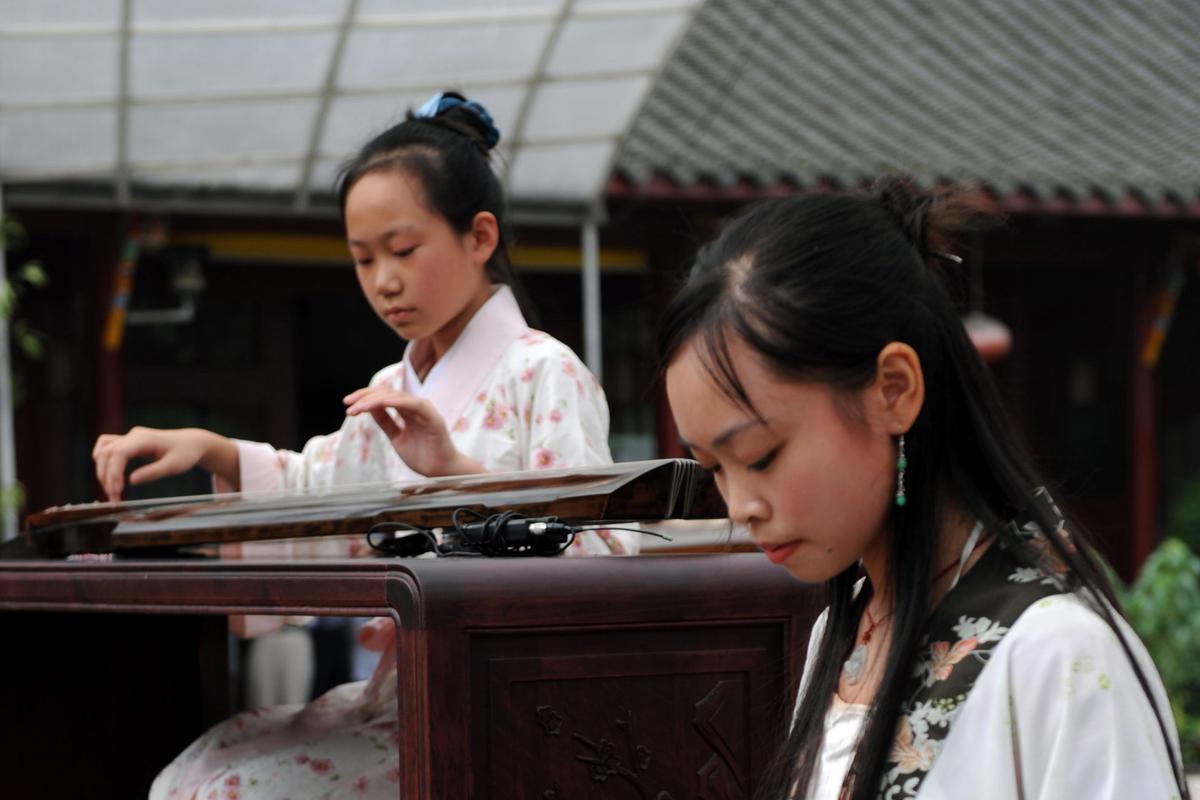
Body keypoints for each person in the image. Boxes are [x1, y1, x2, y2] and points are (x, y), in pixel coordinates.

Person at [92, 91, 635, 799]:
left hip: (503, 705)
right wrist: (213, 449)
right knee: (187, 773)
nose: (384, 281)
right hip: (405, 690)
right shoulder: (395, 382)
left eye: (403, 250)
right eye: (362, 259)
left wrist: (457, 472)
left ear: (480, 237)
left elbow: (604, 560)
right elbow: (318, 487)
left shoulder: (545, 371)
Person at [658, 179, 1188, 800]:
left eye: (761, 456)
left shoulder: (1059, 653)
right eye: (714, 468)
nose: (740, 505)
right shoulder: (842, 631)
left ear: (894, 390)